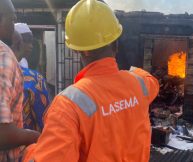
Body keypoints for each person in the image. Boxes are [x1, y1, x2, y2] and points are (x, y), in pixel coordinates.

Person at [23, 0, 159, 162]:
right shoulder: (140, 83)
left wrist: (31, 151)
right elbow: (152, 82)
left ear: (76, 49)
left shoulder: (67, 105)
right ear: (116, 43)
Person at [0, 0, 40, 162]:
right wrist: (37, 137)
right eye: (12, 19)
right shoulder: (3, 57)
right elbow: (2, 133)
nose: (13, 26)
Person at [11, 23, 50, 132]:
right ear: (16, 41)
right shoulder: (35, 79)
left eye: (31, 41)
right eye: (27, 40)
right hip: (28, 143)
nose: (31, 45)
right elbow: (44, 118)